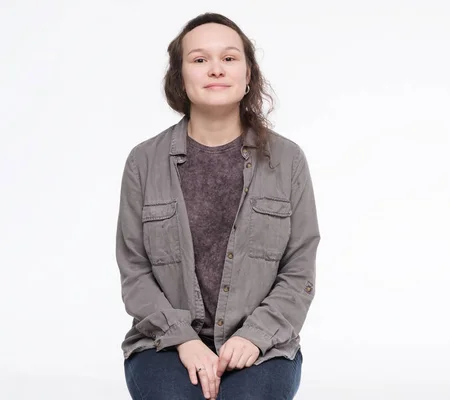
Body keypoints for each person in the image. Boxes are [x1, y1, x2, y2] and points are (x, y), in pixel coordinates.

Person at [115, 12, 320, 400]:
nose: (215, 69)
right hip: (164, 344)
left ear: (248, 76)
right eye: (199, 59)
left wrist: (255, 336)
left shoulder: (288, 160)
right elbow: (134, 272)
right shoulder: (143, 162)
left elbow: (298, 269)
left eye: (229, 58)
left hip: (264, 345)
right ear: (179, 78)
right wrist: (184, 340)